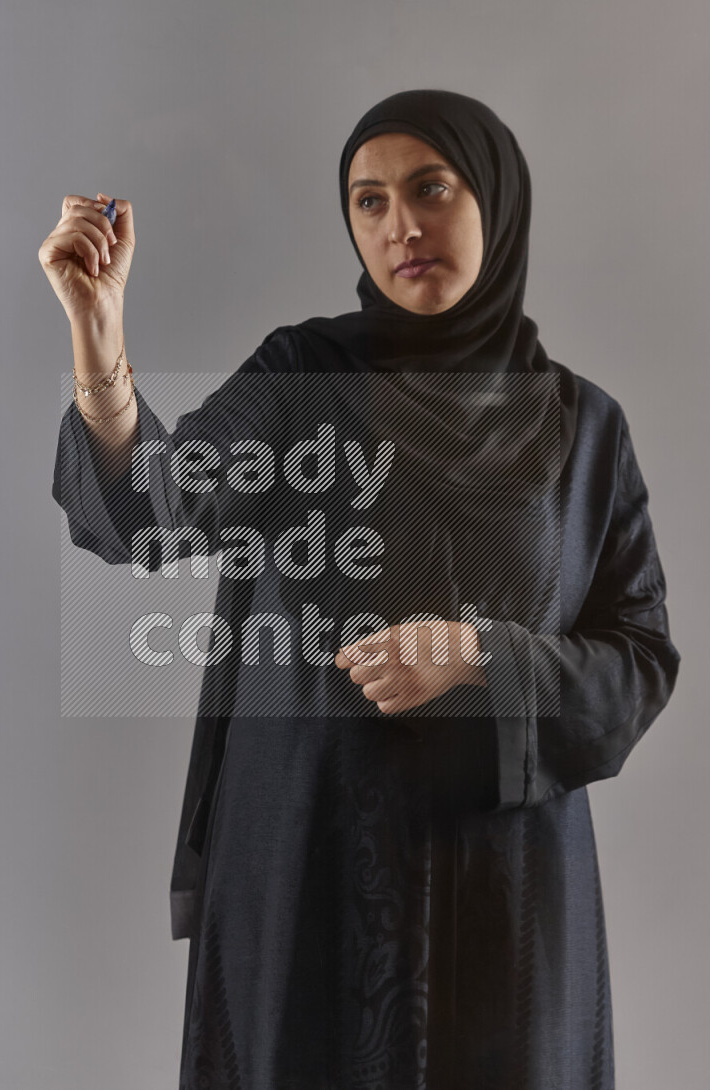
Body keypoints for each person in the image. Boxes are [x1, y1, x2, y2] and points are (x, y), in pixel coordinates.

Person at [42, 89, 680, 1090]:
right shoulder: (303, 380)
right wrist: (99, 342)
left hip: (504, 902)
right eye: (368, 201)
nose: (400, 227)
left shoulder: (583, 430)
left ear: (496, 202)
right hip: (309, 872)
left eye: (430, 189)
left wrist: (477, 652)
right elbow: (158, 511)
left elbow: (636, 664)